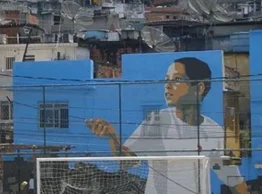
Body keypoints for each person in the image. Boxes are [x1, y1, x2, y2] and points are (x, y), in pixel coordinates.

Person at [86, 57, 250, 194]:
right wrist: (112, 136)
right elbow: (127, 162)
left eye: (177, 80)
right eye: (166, 80)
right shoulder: (157, 120)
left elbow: (229, 175)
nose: (167, 85)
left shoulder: (213, 130)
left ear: (199, 88)